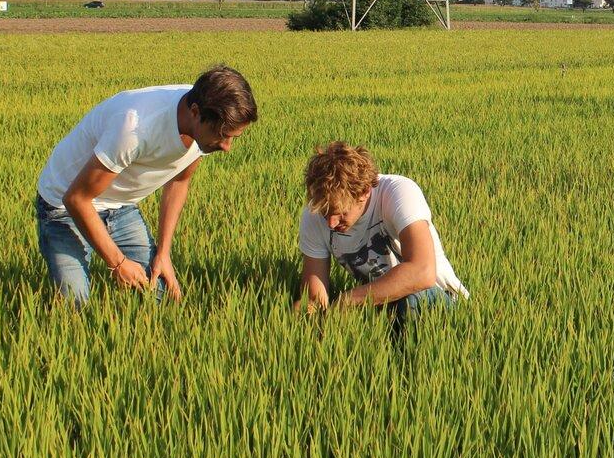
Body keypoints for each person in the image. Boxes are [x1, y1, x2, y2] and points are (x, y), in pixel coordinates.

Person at [35, 64, 257, 303]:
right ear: (195, 112)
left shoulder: (209, 123)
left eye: (232, 137)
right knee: (75, 304)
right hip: (63, 206)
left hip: (120, 207)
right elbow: (76, 199)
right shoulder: (134, 128)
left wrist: (164, 253)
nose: (226, 147)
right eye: (223, 135)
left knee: (158, 296)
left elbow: (179, 181)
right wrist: (118, 263)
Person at [295, 141, 467, 319]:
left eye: (340, 213)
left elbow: (422, 272)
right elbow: (315, 299)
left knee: (410, 300)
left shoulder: (398, 192)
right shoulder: (313, 214)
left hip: (438, 301)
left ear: (364, 192)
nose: (330, 223)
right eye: (325, 213)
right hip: (381, 307)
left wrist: (348, 300)